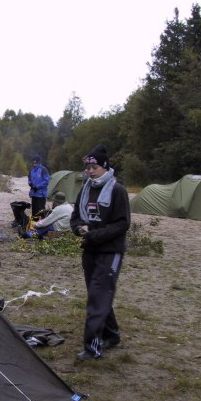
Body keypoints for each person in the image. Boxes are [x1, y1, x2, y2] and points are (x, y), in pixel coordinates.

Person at [70, 145, 130, 360]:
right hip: (90, 250)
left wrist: (94, 233)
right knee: (99, 295)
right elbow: (75, 217)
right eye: (88, 168)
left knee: (98, 296)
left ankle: (92, 347)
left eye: (95, 167)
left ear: (105, 167)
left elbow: (122, 224)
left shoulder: (117, 191)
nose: (91, 171)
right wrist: (78, 228)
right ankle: (112, 334)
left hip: (110, 252)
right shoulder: (85, 189)